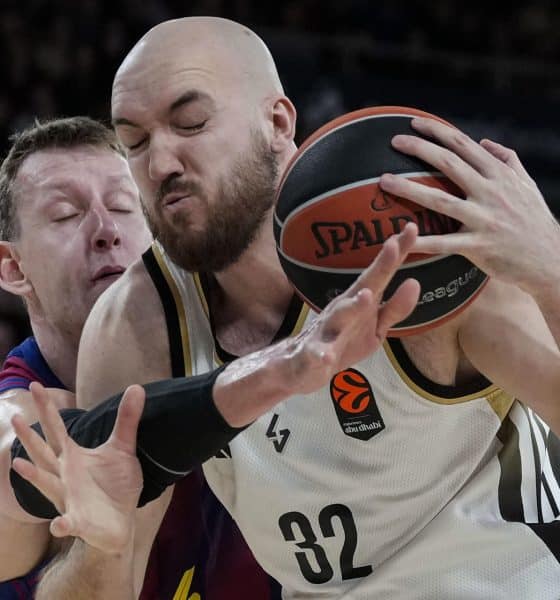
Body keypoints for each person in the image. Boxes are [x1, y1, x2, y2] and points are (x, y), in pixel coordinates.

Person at [15, 16, 560, 599]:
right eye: (136, 143)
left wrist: (552, 272)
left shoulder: (420, 251)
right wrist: (101, 548)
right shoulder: (139, 323)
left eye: (190, 123)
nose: (161, 163)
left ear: (277, 123)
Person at [0, 116, 156, 597]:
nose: (106, 230)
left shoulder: (225, 347)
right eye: (67, 214)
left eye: (124, 206)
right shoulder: (19, 405)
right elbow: (15, 445)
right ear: (13, 267)